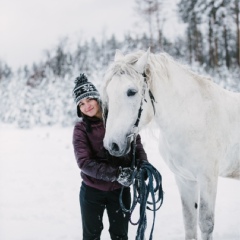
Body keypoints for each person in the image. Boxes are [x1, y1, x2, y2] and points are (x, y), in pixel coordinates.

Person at [72, 73, 148, 240]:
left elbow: (135, 142)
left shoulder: (116, 118)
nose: (87, 106)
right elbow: (84, 163)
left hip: (119, 192)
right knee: (91, 236)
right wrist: (117, 174)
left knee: (120, 236)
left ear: (97, 98)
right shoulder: (81, 129)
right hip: (92, 192)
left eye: (89, 99)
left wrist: (143, 164)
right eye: (81, 104)